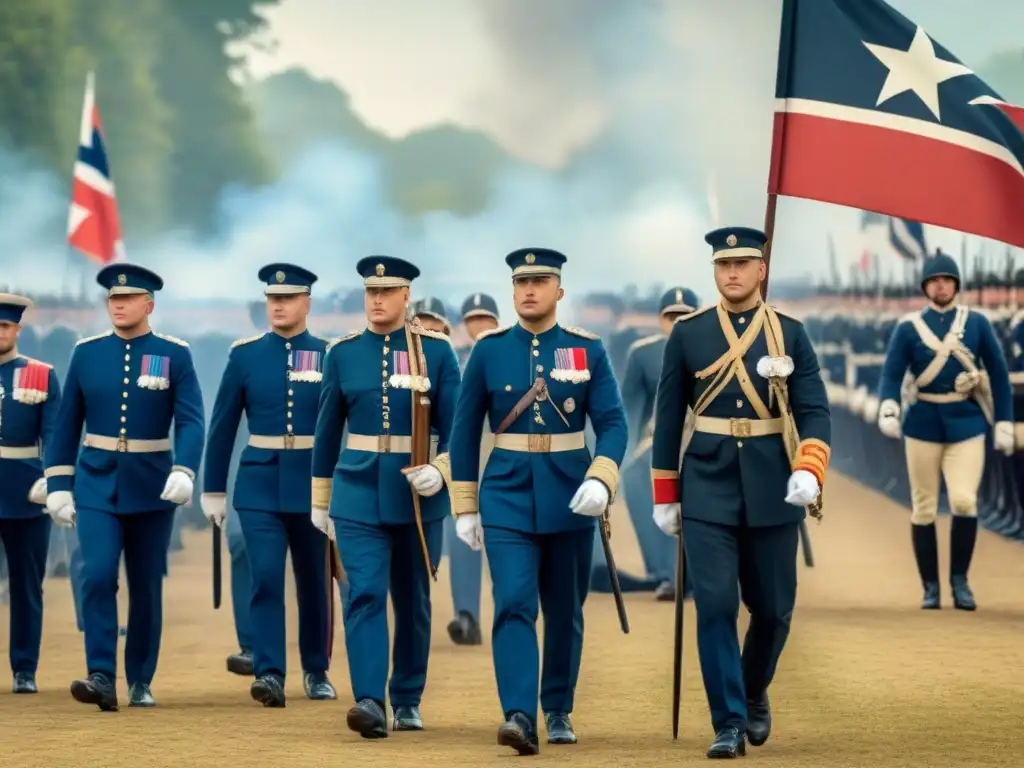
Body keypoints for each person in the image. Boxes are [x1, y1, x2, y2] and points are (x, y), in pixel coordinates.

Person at [650, 227, 830, 758]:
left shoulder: (790, 334)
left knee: (773, 611)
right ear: (714, 270)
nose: (732, 273)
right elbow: (667, 417)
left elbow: (814, 410)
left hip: (774, 482)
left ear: (761, 270)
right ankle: (727, 720)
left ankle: (752, 690)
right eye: (724, 264)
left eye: (743, 264)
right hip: (706, 482)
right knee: (716, 606)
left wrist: (810, 467)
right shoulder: (689, 334)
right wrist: (666, 492)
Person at [448, 248, 628, 755]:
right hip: (504, 493)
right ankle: (520, 714)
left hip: (571, 494)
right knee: (513, 603)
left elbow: (613, 423)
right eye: (522, 281)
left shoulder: (586, 350)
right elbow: (464, 433)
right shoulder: (488, 351)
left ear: (559, 291)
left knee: (565, 609)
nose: (529, 289)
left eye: (541, 280)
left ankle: (558, 707)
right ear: (512, 290)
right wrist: (465, 505)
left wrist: (602, 478)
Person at [43, 264, 205, 711]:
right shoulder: (87, 353)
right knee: (96, 575)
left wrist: (185, 469)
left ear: (148, 304)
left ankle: (140, 678)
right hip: (95, 482)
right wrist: (58, 481)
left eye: (128, 298)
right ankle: (100, 673)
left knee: (146, 584)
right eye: (113, 299)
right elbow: (65, 425)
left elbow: (191, 420)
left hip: (152, 485)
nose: (118, 304)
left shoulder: (174, 354)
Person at [311, 256, 461, 738]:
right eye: (370, 292)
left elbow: (456, 430)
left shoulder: (436, 353)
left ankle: (408, 697)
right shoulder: (342, 353)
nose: (377, 299)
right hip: (355, 492)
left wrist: (442, 471)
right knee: (365, 594)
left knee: (413, 600)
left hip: (416, 497)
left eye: (387, 291)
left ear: (405, 296)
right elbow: (327, 430)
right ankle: (370, 701)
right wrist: (320, 499)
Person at [200, 263, 336, 706]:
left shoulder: (329, 353)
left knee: (314, 581)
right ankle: (270, 672)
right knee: (265, 577)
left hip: (314, 483)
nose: (278, 306)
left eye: (289, 298)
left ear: (307, 303)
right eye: (273, 299)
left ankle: (316, 670)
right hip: (258, 482)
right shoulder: (245, 355)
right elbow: (222, 426)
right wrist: (213, 488)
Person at [876, 252, 1013, 611]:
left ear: (956, 285)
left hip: (966, 422)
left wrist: (1004, 422)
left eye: (947, 279)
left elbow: (998, 375)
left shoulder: (978, 323)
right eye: (934, 280)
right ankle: (931, 587)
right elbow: (891, 374)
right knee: (923, 507)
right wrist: (889, 406)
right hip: (922, 423)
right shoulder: (908, 328)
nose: (941, 285)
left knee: (964, 501)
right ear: (925, 287)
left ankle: (960, 581)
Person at [619, 287, 699, 601]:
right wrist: (620, 456)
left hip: (705, 438)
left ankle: (697, 574)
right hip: (659, 442)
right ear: (660, 320)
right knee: (635, 477)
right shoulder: (642, 353)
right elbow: (630, 409)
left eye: (685, 315)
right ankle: (663, 572)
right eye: (671, 316)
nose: (678, 321)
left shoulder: (720, 348)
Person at [0, 294, 61, 694]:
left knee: (26, 586)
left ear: (18, 330)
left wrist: (52, 480)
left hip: (26, 493)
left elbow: (55, 432)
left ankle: (25, 667)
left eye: (5, 326)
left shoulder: (39, 374)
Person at [441, 292, 501, 646]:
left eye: (486, 319)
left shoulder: (513, 355)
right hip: (464, 461)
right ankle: (466, 615)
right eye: (473, 320)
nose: (480, 326)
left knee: (504, 540)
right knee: (462, 537)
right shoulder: (455, 361)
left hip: (504, 458)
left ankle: (508, 612)